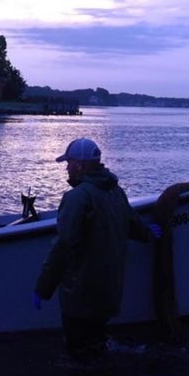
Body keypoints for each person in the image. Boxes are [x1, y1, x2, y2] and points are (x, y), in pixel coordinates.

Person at [33, 137, 159, 358]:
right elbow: (136, 227)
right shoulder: (116, 192)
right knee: (97, 345)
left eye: (69, 162)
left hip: (80, 295)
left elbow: (63, 246)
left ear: (80, 165)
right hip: (108, 294)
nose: (67, 168)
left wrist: (43, 288)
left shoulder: (78, 197)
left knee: (79, 354)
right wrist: (153, 233)